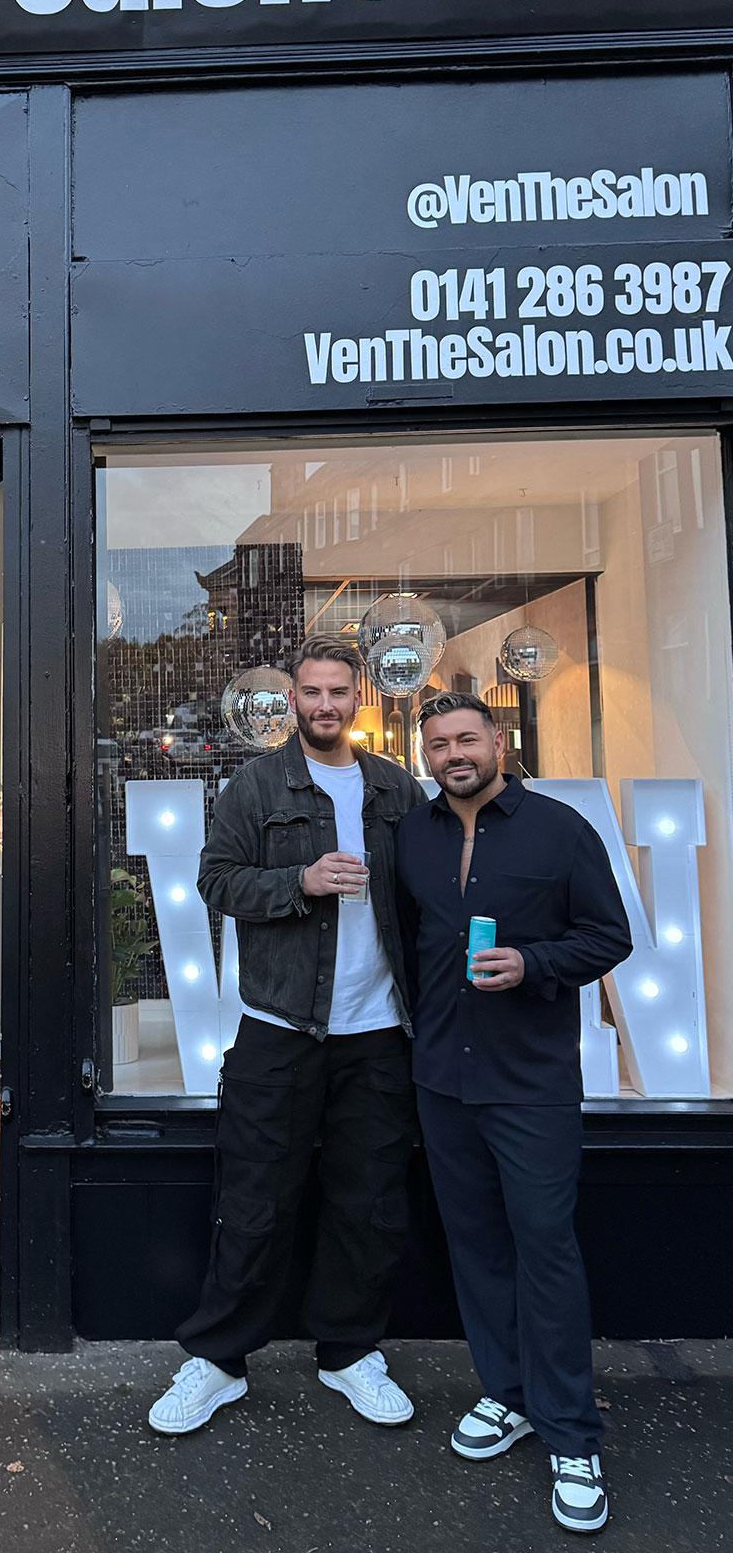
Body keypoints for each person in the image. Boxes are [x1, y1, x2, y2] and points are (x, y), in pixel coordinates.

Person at [148, 633, 427, 1436]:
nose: (327, 705)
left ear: (358, 699)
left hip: (378, 1032)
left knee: (367, 1203)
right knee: (254, 1200)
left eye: (341, 692)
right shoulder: (257, 783)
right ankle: (219, 1360)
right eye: (314, 692)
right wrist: (299, 882)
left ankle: (348, 1354)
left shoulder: (395, 789)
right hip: (278, 1027)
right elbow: (216, 879)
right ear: (292, 699)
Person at [396, 692, 633, 1536]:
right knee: (478, 1250)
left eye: (466, 738)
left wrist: (533, 962)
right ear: (424, 754)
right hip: (442, 1079)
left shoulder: (560, 829)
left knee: (546, 1251)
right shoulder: (413, 835)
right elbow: (405, 938)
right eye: (438, 743)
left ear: (499, 741)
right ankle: (508, 1396)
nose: (453, 753)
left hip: (530, 1082)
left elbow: (610, 937)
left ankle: (573, 1435)